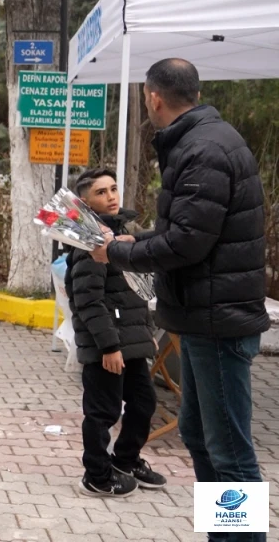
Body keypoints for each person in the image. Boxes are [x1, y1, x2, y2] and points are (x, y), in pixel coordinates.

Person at [91, 58, 267, 537]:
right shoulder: (201, 141)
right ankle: (224, 532)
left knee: (229, 449)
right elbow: (189, 230)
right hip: (201, 316)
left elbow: (188, 242)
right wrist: (136, 241)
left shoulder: (203, 149)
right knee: (199, 436)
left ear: (153, 97)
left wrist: (120, 255)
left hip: (217, 320)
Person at [68, 168, 165, 497]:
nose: (111, 196)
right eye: (101, 192)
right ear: (85, 202)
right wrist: (109, 347)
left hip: (132, 342)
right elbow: (89, 302)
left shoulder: (123, 237)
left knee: (143, 403)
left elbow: (139, 290)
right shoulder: (90, 244)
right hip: (106, 346)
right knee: (103, 412)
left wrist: (147, 331)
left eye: (113, 189)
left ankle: (125, 459)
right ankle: (96, 475)